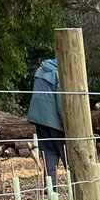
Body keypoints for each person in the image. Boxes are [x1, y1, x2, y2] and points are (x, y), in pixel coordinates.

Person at [27, 56, 66, 184]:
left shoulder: (40, 70)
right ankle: (76, 186)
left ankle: (50, 189)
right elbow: (60, 102)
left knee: (49, 154)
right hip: (54, 122)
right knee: (67, 155)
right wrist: (66, 124)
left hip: (39, 120)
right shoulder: (58, 73)